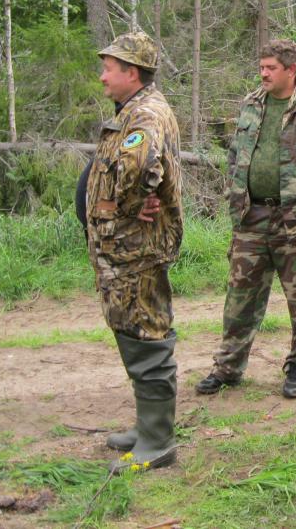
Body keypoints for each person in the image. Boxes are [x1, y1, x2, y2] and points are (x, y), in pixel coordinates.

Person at [196, 40, 296, 399]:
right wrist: (235, 194)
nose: (263, 73)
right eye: (261, 67)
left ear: (291, 70)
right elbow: (235, 155)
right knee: (239, 298)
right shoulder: (251, 103)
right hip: (251, 217)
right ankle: (228, 367)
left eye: (271, 68)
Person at [86, 31, 183, 473]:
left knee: (146, 334)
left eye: (109, 68)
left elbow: (142, 165)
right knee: (131, 329)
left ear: (132, 72)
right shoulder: (131, 111)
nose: (103, 76)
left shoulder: (145, 114)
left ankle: (157, 441)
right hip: (123, 248)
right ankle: (147, 426)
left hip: (135, 248)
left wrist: (128, 205)